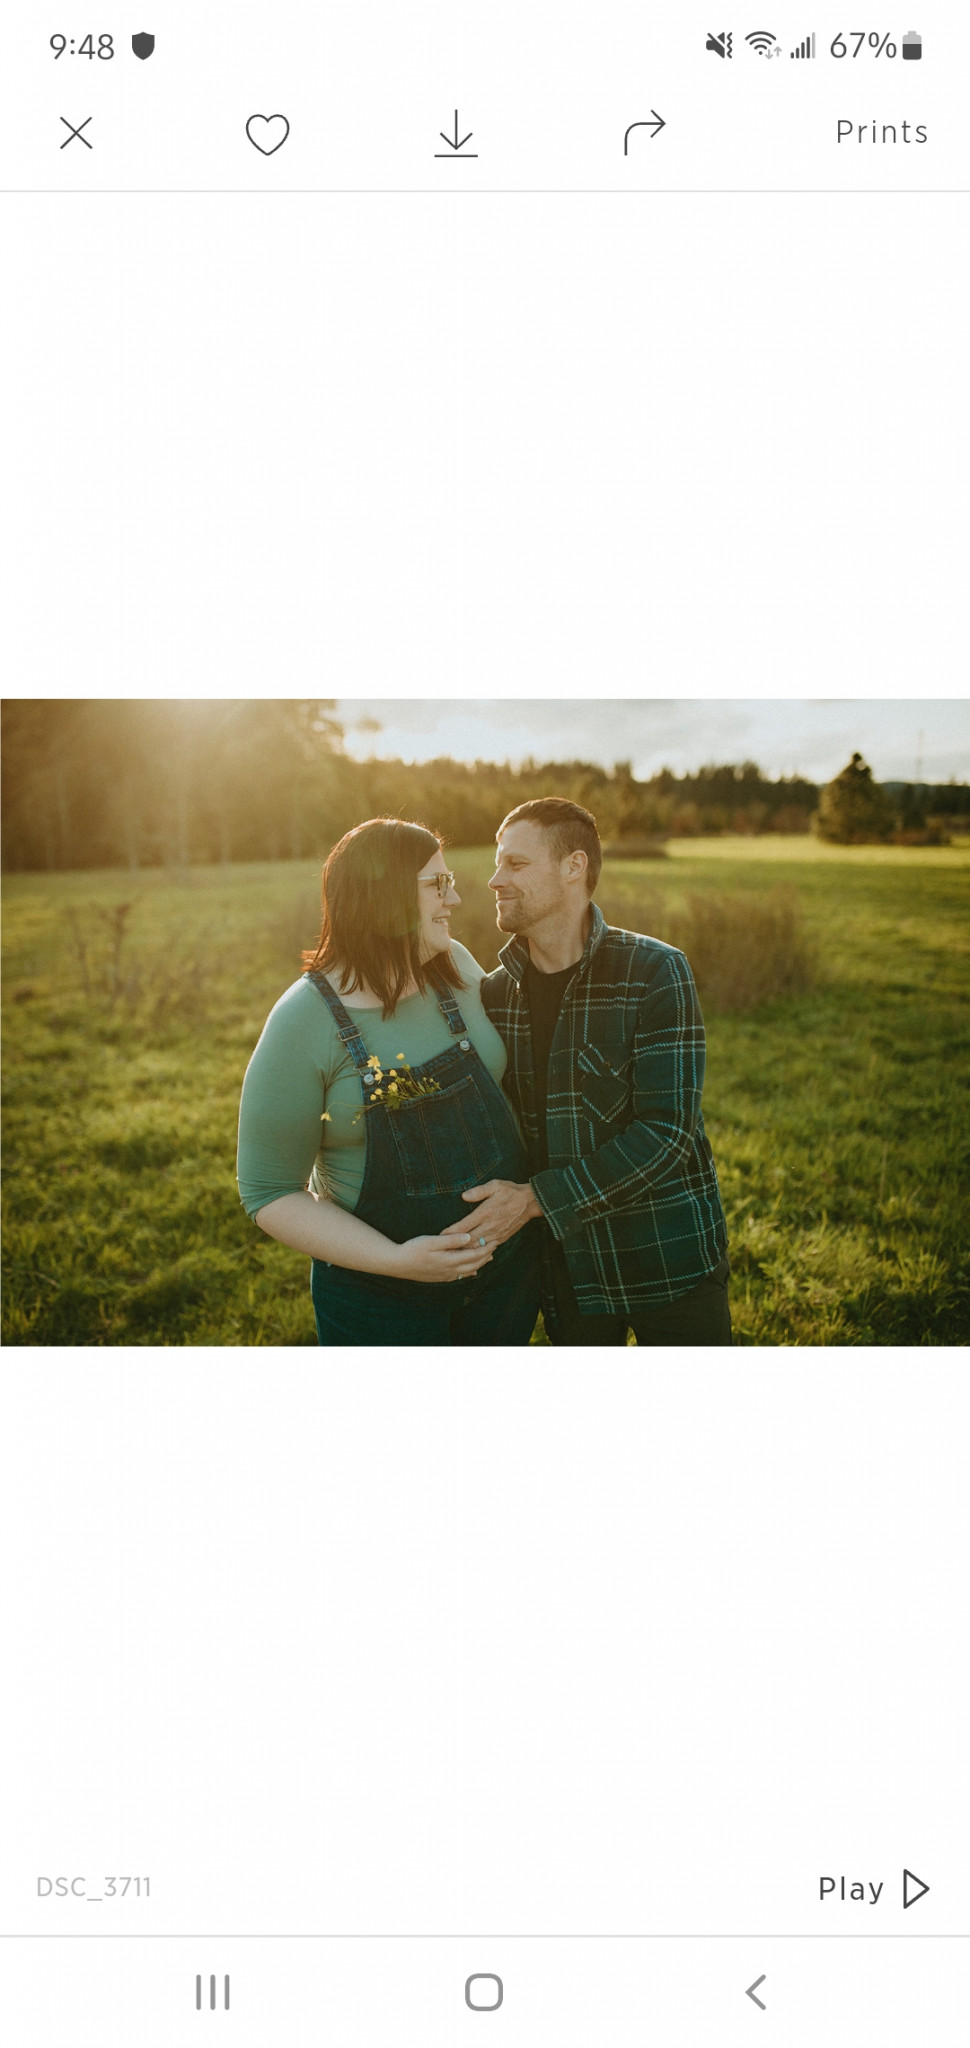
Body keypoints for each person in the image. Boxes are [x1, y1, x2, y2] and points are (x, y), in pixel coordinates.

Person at [236, 818, 540, 1347]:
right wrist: (397, 1260)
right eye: (438, 884)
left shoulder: (454, 966)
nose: (455, 898)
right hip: (380, 1302)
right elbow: (270, 1192)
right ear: (385, 897)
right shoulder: (303, 1021)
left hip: (504, 1278)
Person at [440, 797, 731, 1346]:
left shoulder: (655, 972)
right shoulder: (494, 996)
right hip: (567, 1270)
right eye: (498, 864)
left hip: (666, 1257)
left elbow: (667, 1132)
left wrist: (535, 1200)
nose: (495, 880)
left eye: (516, 864)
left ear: (574, 867)